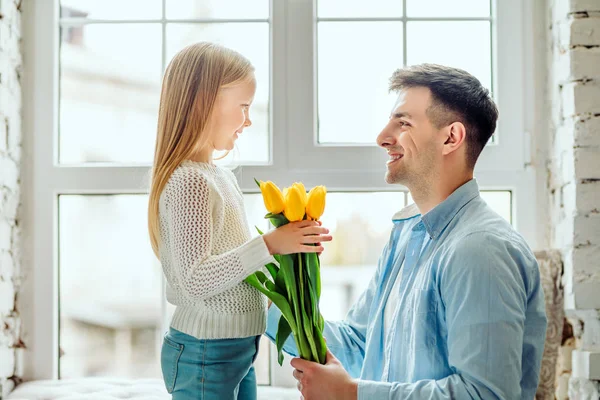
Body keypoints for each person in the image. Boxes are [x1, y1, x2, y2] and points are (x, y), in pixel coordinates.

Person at [266, 63, 548, 399]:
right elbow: (359, 344)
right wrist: (264, 303)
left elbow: (482, 394)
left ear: (451, 137)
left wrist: (352, 394)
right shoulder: (407, 236)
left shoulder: (481, 249)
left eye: (403, 123)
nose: (383, 137)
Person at [148, 42, 332, 400]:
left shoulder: (220, 177)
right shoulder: (190, 182)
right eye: (243, 107)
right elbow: (196, 279)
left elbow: (237, 266)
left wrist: (290, 259)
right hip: (205, 354)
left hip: (238, 347)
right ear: (205, 103)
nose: (248, 120)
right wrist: (271, 244)